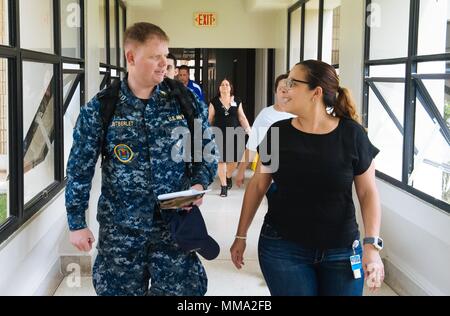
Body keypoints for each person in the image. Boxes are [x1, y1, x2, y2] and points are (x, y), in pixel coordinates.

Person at [65, 22, 218, 296]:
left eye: (166, 55)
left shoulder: (183, 100)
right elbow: (79, 169)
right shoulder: (101, 108)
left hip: (174, 227)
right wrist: (77, 223)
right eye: (155, 56)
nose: (164, 63)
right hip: (122, 231)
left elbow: (206, 151)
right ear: (131, 57)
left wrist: (198, 184)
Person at [230, 60, 385, 296]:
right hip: (283, 248)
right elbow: (259, 184)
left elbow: (367, 192)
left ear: (316, 92)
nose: (284, 88)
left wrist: (371, 246)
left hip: (342, 250)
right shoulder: (277, 133)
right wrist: (240, 235)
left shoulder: (352, 134)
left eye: (293, 83)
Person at [235, 73, 295, 188]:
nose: (286, 94)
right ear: (276, 92)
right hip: (271, 173)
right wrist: (241, 171)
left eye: (289, 90)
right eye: (282, 90)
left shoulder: (299, 114)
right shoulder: (266, 114)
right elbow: (252, 144)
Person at [208, 78, 251, 197]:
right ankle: (223, 186)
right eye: (222, 85)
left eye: (227, 84)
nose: (225, 86)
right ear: (219, 88)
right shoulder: (214, 101)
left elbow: (241, 117)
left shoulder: (237, 100)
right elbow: (210, 118)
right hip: (218, 133)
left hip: (234, 133)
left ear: (231, 87)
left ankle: (228, 176)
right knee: (221, 160)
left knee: (233, 161)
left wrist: (249, 130)